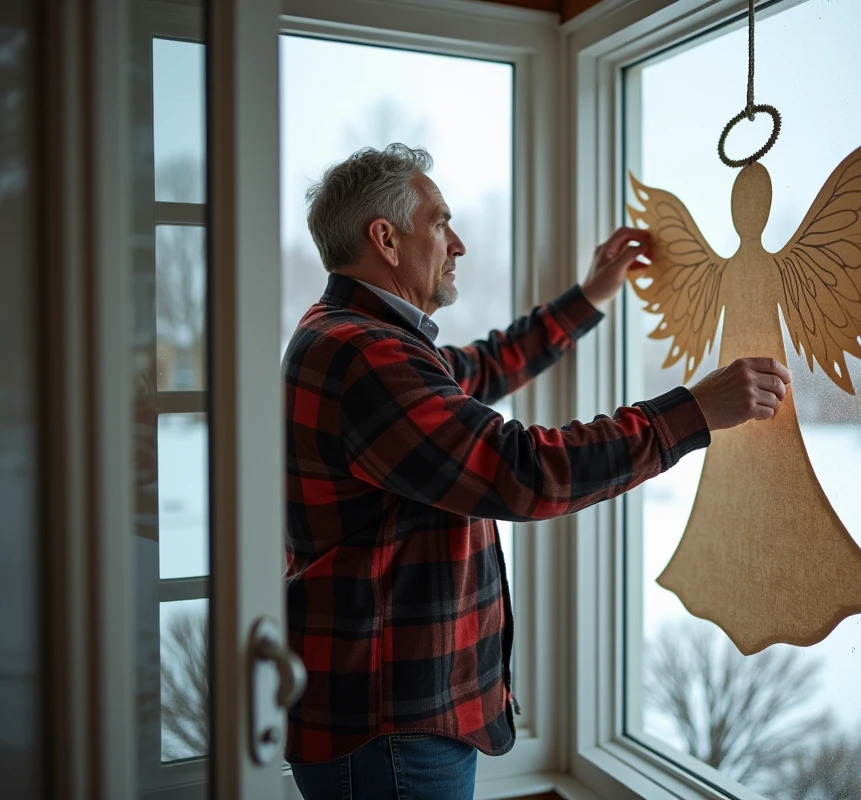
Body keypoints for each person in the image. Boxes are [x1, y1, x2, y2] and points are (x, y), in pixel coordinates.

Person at [283, 144, 791, 800]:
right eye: (440, 222)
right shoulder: (364, 355)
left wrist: (590, 295)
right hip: (390, 731)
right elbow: (521, 471)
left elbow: (484, 368)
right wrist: (691, 412)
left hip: (386, 718)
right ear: (384, 238)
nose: (458, 243)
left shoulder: (355, 336)